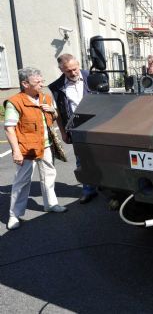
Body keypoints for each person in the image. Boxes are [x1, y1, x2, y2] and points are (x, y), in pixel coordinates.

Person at [4, 67, 68, 230]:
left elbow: (53, 117)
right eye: (37, 82)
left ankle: (51, 204)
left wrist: (52, 110)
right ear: (25, 84)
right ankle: (14, 215)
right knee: (22, 181)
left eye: (42, 81)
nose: (41, 84)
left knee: (49, 175)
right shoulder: (15, 102)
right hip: (27, 148)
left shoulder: (45, 98)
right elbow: (9, 128)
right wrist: (16, 151)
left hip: (46, 145)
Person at [48, 54, 96, 204]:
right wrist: (63, 132)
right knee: (81, 160)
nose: (73, 73)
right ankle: (88, 190)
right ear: (61, 70)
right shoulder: (56, 87)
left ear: (79, 64)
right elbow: (60, 114)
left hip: (98, 125)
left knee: (105, 156)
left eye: (75, 69)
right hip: (76, 128)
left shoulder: (92, 77)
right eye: (68, 71)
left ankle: (109, 189)